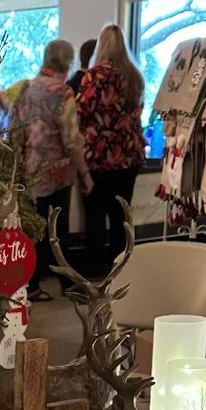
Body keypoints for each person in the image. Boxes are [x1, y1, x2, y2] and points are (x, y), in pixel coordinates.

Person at [12, 39, 93, 301]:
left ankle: (31, 284)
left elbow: (15, 130)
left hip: (29, 169)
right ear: (68, 63)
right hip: (57, 173)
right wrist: (85, 173)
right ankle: (68, 284)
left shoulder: (27, 88)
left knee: (32, 230)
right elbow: (71, 139)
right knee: (58, 232)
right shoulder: (63, 93)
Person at [78, 24, 145, 270]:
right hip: (129, 156)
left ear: (101, 45)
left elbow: (81, 112)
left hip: (98, 156)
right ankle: (121, 266)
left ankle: (96, 269)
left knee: (95, 217)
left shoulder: (93, 76)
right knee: (121, 216)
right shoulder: (135, 75)